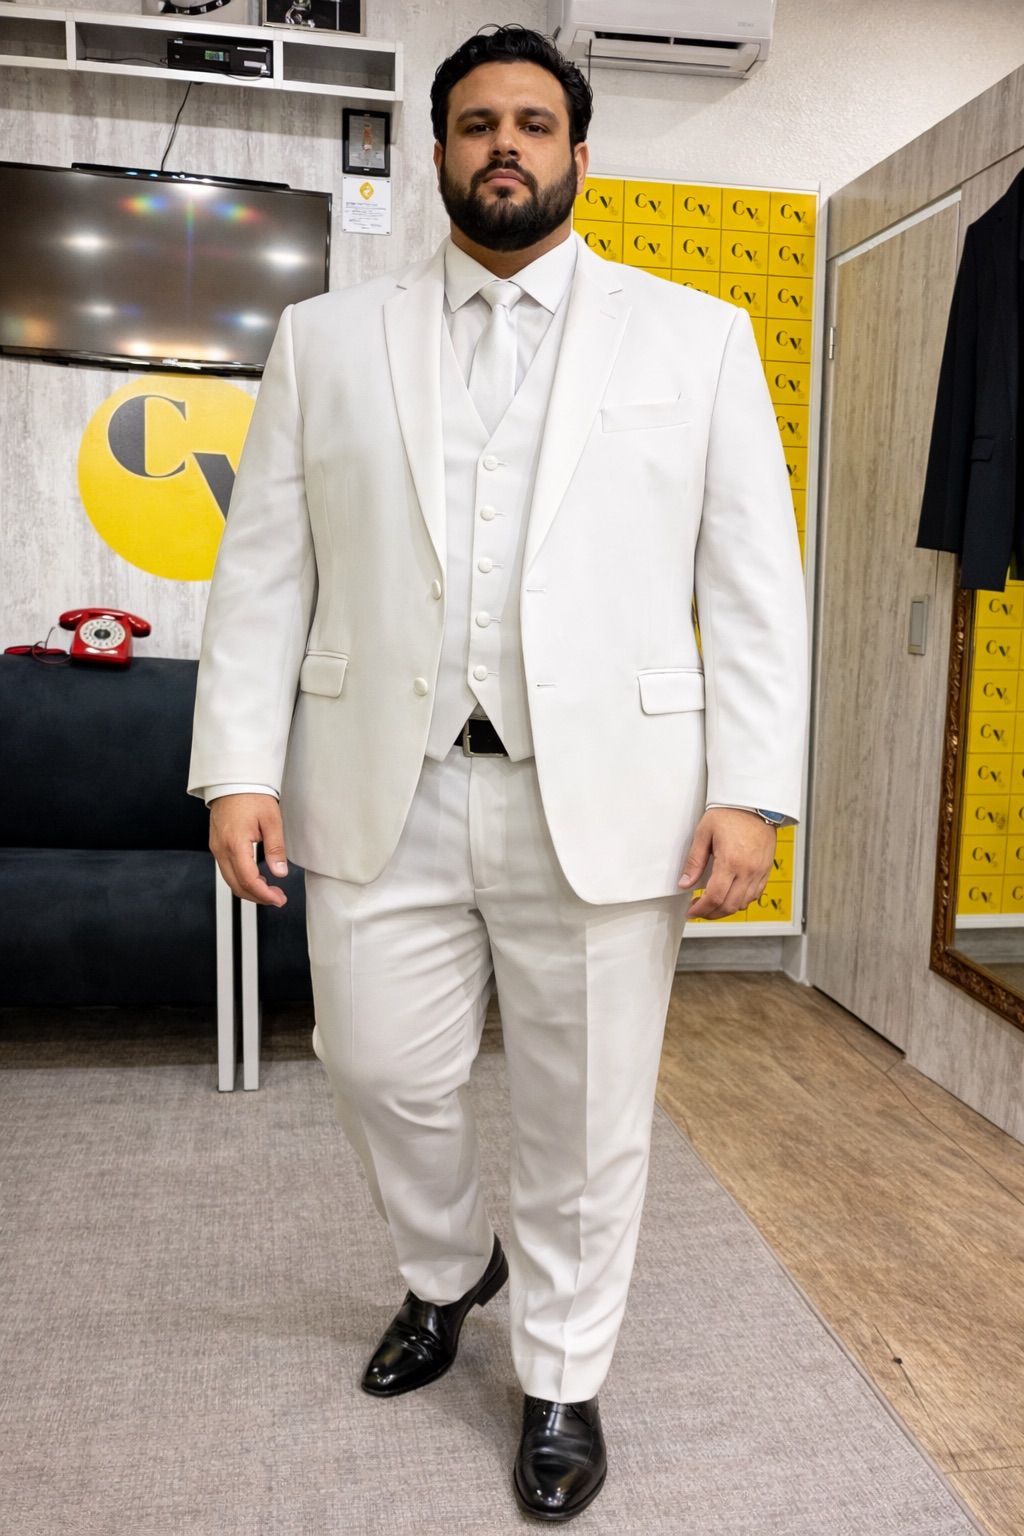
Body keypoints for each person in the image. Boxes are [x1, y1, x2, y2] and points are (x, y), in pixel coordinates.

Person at [188, 22, 808, 1524]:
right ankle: (450, 1266)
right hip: (379, 782)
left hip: (608, 795)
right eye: (478, 124)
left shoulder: (698, 337)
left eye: (534, 123)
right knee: (377, 1067)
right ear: (438, 151)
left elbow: (751, 586)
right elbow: (264, 571)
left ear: (580, 152)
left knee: (588, 1112)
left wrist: (752, 789)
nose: (506, 146)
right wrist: (236, 769)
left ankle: (563, 1377)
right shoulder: (328, 338)